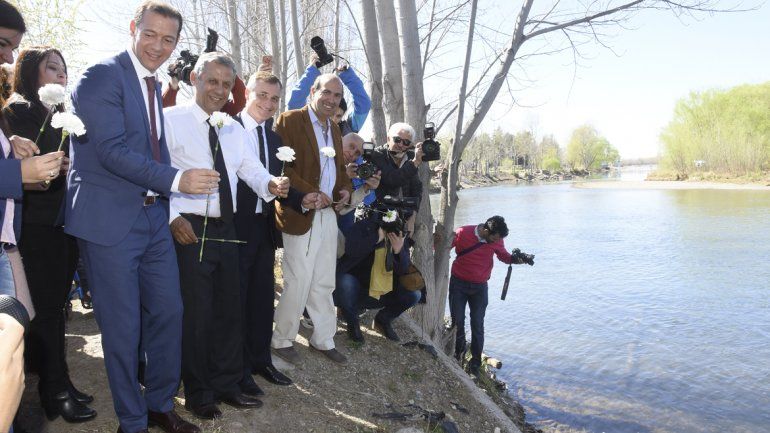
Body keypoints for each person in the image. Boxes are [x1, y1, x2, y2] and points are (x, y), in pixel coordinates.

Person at [66, 2, 219, 432]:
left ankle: (159, 404)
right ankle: (132, 421)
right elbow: (111, 151)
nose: (157, 46)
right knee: (123, 328)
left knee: (169, 313)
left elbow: (154, 149)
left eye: (168, 39)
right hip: (110, 222)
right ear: (133, 28)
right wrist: (177, 180)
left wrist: (168, 205)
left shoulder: (153, 84)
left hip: (154, 219)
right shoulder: (101, 76)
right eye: (150, 34)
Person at [165, 52, 288, 420]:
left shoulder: (233, 129)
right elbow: (153, 172)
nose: (219, 90)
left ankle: (228, 383)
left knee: (229, 309)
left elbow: (250, 168)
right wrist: (172, 217)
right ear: (194, 78)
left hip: (227, 228)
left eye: (226, 84)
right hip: (190, 228)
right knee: (198, 314)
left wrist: (271, 183)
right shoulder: (171, 121)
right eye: (212, 81)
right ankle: (199, 392)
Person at [2, 46, 96, 423]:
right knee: (45, 311)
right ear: (29, 72)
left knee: (57, 309)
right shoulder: (17, 111)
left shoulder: (59, 115)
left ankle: (61, 382)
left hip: (63, 223)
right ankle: (52, 390)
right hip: (35, 225)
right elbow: (24, 166)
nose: (61, 75)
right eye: (51, 68)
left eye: (63, 69)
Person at [233, 71, 311, 395]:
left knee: (263, 298)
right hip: (233, 227)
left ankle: (261, 360)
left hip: (263, 227)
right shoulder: (228, 129)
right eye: (262, 95)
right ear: (247, 93)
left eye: (274, 98)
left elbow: (280, 183)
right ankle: (238, 370)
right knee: (236, 301)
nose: (268, 103)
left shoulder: (275, 139)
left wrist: (302, 199)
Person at [271, 73, 351, 365]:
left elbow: (339, 170)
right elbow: (281, 167)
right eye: (326, 92)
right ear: (313, 92)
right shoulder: (290, 120)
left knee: (324, 280)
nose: (331, 100)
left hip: (328, 215)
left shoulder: (335, 129)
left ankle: (323, 339)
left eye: (337, 96)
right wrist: (310, 193)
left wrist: (344, 189)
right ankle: (282, 339)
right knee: (298, 279)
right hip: (300, 211)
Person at [449, 216, 529, 375]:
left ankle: (475, 364)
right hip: (458, 284)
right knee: (457, 322)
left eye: (499, 239)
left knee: (478, 325)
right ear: (485, 230)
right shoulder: (463, 232)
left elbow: (504, 256)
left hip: (480, 288)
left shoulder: (497, 239)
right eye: (494, 238)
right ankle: (458, 356)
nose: (496, 241)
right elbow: (443, 246)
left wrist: (518, 260)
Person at [335, 216, 421, 343]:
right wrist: (376, 238)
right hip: (354, 290)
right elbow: (351, 252)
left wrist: (398, 251)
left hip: (380, 293)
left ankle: (383, 320)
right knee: (345, 282)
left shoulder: (397, 235)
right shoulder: (362, 226)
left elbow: (403, 271)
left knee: (414, 294)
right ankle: (352, 322)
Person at [287, 54, 371, 135]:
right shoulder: (308, 125)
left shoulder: (347, 130)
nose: (333, 119)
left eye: (338, 116)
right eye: (330, 114)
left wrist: (347, 74)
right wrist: (312, 70)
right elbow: (295, 102)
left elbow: (364, 104)